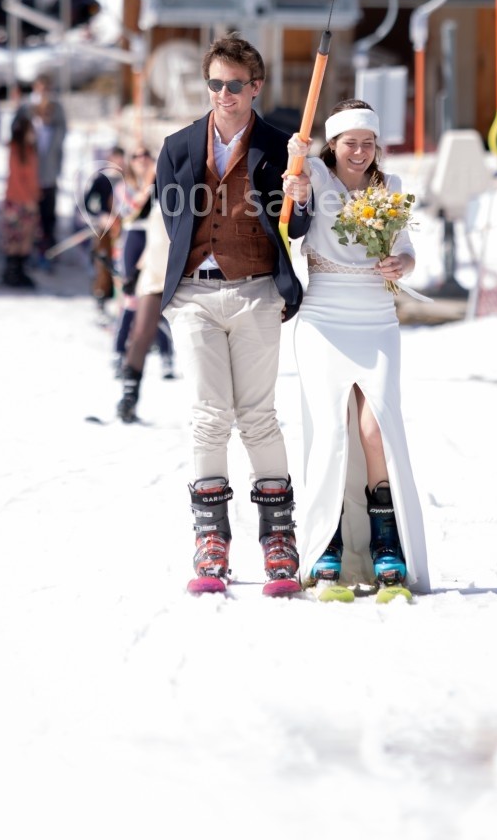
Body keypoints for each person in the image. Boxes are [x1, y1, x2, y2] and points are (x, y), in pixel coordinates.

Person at [155, 34, 312, 594]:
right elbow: (172, 216)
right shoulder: (176, 146)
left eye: (236, 85)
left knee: (258, 414)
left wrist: (302, 191)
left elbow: (297, 226)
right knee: (206, 414)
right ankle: (210, 538)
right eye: (216, 83)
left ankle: (277, 538)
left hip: (256, 294)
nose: (225, 93)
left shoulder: (279, 146)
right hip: (196, 296)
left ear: (256, 87)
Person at [284, 98, 430, 597]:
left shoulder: (390, 188)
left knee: (375, 429)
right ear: (334, 144)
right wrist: (296, 165)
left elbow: (406, 247)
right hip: (324, 315)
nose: (361, 152)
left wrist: (403, 266)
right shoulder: (317, 178)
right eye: (352, 143)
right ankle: (326, 542)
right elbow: (295, 195)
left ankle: (386, 539)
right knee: (330, 429)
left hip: (376, 317)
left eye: (369, 143)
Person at [113, 147, 174, 380]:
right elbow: (133, 209)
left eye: (145, 155)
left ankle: (167, 355)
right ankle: (120, 352)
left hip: (155, 241)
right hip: (133, 239)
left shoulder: (159, 186)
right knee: (130, 299)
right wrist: (149, 184)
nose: (141, 159)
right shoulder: (124, 187)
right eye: (136, 156)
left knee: (157, 299)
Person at [116, 202, 174, 423]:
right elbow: (152, 239)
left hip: (185, 276)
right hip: (154, 275)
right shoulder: (151, 194)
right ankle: (128, 399)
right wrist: (136, 271)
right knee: (140, 334)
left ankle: (219, 406)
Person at [14, 73, 67, 267]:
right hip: (30, 177)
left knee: (48, 216)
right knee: (29, 217)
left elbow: (62, 133)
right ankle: (26, 251)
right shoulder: (26, 108)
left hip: (49, 174)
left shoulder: (57, 110)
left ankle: (48, 251)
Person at [83, 145, 126, 314]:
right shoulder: (101, 179)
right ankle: (101, 295)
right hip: (105, 228)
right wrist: (100, 216)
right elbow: (88, 203)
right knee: (103, 261)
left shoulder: (126, 179)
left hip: (122, 227)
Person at [1, 115, 40, 288]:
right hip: (17, 201)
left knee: (26, 237)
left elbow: (32, 178)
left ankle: (21, 270)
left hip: (29, 200)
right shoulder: (16, 151)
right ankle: (11, 271)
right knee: (14, 238)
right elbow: (17, 179)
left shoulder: (30, 151)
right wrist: (28, 199)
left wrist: (36, 195)